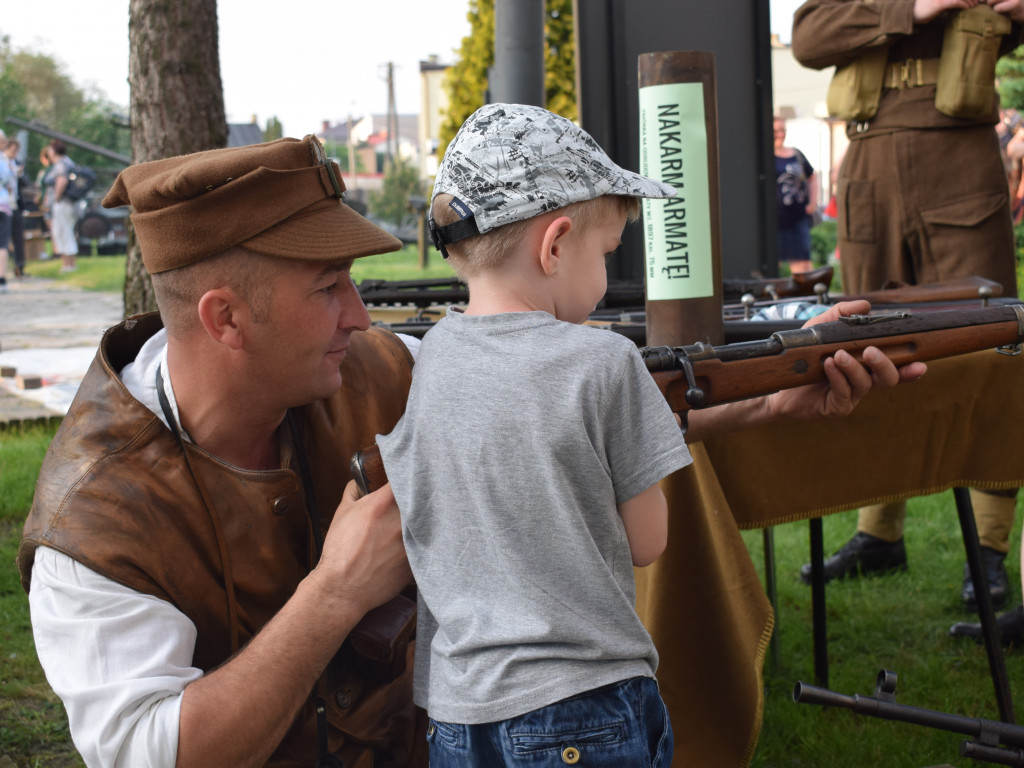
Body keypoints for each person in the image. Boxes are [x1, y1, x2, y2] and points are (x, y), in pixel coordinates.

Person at [375, 103, 927, 767]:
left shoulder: (431, 358)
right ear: (554, 246)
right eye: (606, 252)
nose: (607, 277)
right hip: (585, 707)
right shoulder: (601, 361)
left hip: (458, 715)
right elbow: (648, 540)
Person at [19, 135, 428, 767]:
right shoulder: (95, 520)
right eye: (327, 288)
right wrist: (337, 592)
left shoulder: (380, 372)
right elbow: (156, 754)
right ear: (225, 319)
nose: (360, 316)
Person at [792, 0, 1022, 627]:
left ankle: (989, 546)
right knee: (867, 339)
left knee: (989, 344)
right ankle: (880, 532)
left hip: (960, 152)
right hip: (869, 158)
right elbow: (808, 36)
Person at [773, 115, 818, 274]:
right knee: (772, 265)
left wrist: (812, 203)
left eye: (782, 130)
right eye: (775, 130)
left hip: (798, 218)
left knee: (803, 267)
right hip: (774, 221)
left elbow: (812, 176)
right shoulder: (764, 156)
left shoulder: (796, 154)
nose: (780, 134)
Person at [40, 139, 79, 272]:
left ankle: (69, 265)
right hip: (67, 203)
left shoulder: (61, 164)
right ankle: (68, 264)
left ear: (54, 150)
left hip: (62, 203)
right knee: (64, 231)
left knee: (64, 231)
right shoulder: (68, 161)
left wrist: (55, 199)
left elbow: (61, 181)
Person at [4, 138, 27, 278]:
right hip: (4, 204)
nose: (14, 153)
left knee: (18, 236)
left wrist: (20, 174)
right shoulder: (2, 164)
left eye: (16, 150)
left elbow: (25, 182)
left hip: (15, 204)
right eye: (12, 150)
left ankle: (20, 266)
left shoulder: (17, 164)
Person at [0, 131, 16, 293]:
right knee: (2, 244)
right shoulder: (3, 161)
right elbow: (9, 182)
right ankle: (2, 279)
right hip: (3, 205)